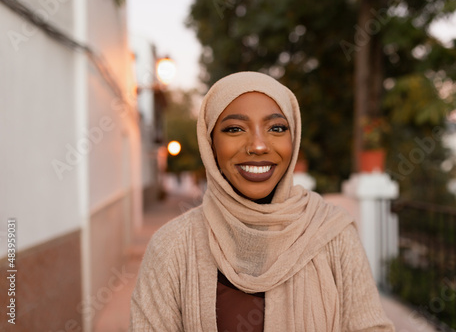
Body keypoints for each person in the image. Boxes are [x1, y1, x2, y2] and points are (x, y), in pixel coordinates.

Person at [130, 71, 395, 331]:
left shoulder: (333, 234)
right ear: (210, 145)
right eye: (235, 129)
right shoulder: (172, 247)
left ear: (293, 139)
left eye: (276, 128)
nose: (258, 145)